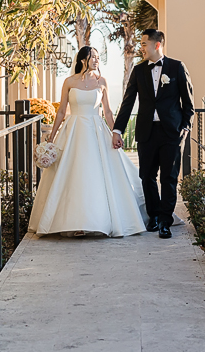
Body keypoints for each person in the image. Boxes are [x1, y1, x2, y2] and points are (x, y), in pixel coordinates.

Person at [27, 46, 147, 238]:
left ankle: (97, 220)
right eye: (93, 57)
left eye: (98, 57)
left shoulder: (102, 82)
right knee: (72, 173)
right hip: (72, 130)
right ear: (83, 60)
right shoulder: (68, 82)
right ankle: (71, 222)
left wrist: (116, 132)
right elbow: (60, 111)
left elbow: (107, 111)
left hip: (96, 130)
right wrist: (51, 137)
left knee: (95, 175)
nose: (97, 60)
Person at [112, 29, 194, 239]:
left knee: (169, 177)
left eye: (144, 43)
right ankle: (154, 216)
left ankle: (165, 221)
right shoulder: (138, 70)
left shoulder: (176, 67)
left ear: (157, 45)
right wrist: (117, 129)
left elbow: (188, 102)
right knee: (146, 176)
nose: (141, 47)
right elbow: (128, 102)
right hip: (146, 132)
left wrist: (185, 127)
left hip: (171, 133)